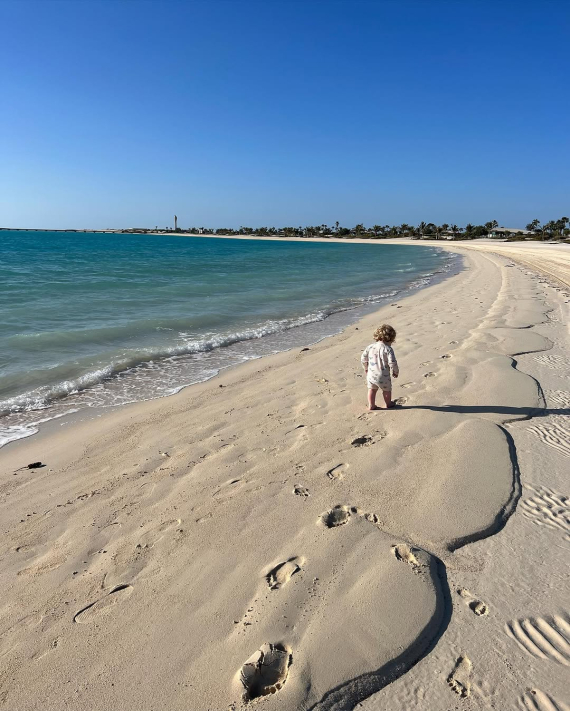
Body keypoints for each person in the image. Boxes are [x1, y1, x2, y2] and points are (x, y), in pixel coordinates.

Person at [361, 324, 399, 410]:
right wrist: (395, 371)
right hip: (383, 375)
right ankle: (388, 403)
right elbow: (392, 362)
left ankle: (371, 405)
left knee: (372, 390)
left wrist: (366, 368)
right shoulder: (388, 349)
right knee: (386, 390)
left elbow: (363, 359)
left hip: (371, 374)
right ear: (391, 338)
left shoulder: (370, 347)